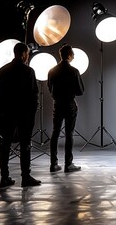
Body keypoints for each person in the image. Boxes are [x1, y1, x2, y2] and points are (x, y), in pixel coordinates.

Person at [0, 42, 41, 188]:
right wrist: (32, 114)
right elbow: (34, 95)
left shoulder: (3, 70)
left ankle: (4, 177)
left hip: (7, 113)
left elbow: (0, 95)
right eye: (27, 53)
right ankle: (25, 177)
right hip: (24, 114)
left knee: (5, 145)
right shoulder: (28, 71)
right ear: (23, 54)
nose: (28, 56)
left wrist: (1, 114)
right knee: (25, 145)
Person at [47, 44, 84, 173]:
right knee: (69, 133)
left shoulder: (52, 71)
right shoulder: (74, 71)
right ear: (69, 55)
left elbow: (49, 87)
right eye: (73, 54)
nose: (73, 56)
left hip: (57, 104)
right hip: (69, 104)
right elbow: (80, 91)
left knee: (55, 132)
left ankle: (53, 164)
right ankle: (68, 164)